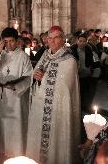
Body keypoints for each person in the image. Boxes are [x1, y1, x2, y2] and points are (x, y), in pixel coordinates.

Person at [26, 26, 81, 164]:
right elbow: (35, 76)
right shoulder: (44, 56)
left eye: (56, 37)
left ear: (63, 39)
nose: (52, 41)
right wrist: (36, 77)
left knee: (55, 141)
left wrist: (43, 78)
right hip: (40, 107)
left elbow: (64, 89)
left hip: (58, 111)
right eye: (49, 38)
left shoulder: (69, 61)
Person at [0, 27, 33, 163]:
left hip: (16, 98)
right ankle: (3, 151)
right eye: (6, 42)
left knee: (16, 125)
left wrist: (15, 85)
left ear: (17, 41)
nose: (9, 44)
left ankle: (17, 154)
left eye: (12, 41)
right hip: (2, 99)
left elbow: (29, 77)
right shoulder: (1, 54)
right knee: (2, 125)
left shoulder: (23, 56)